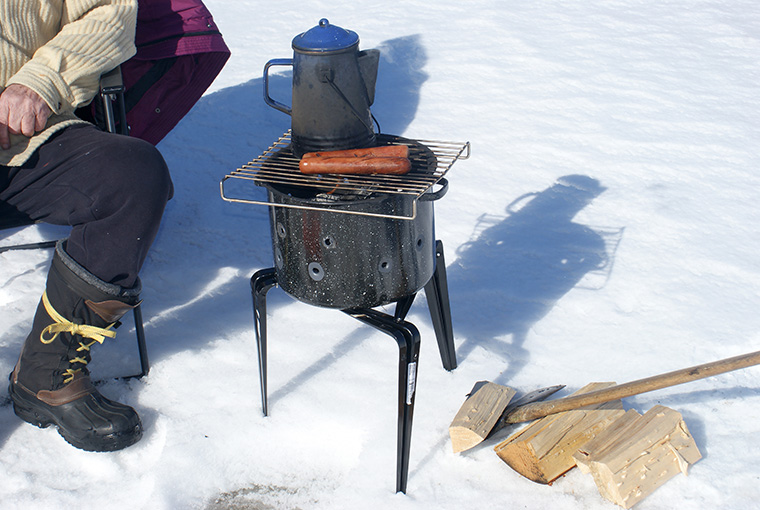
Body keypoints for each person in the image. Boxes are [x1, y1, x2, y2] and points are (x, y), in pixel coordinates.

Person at [1, 0, 173, 452]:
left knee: (133, 175)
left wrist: (39, 80)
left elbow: (109, 13)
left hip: (21, 138)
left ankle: (45, 374)